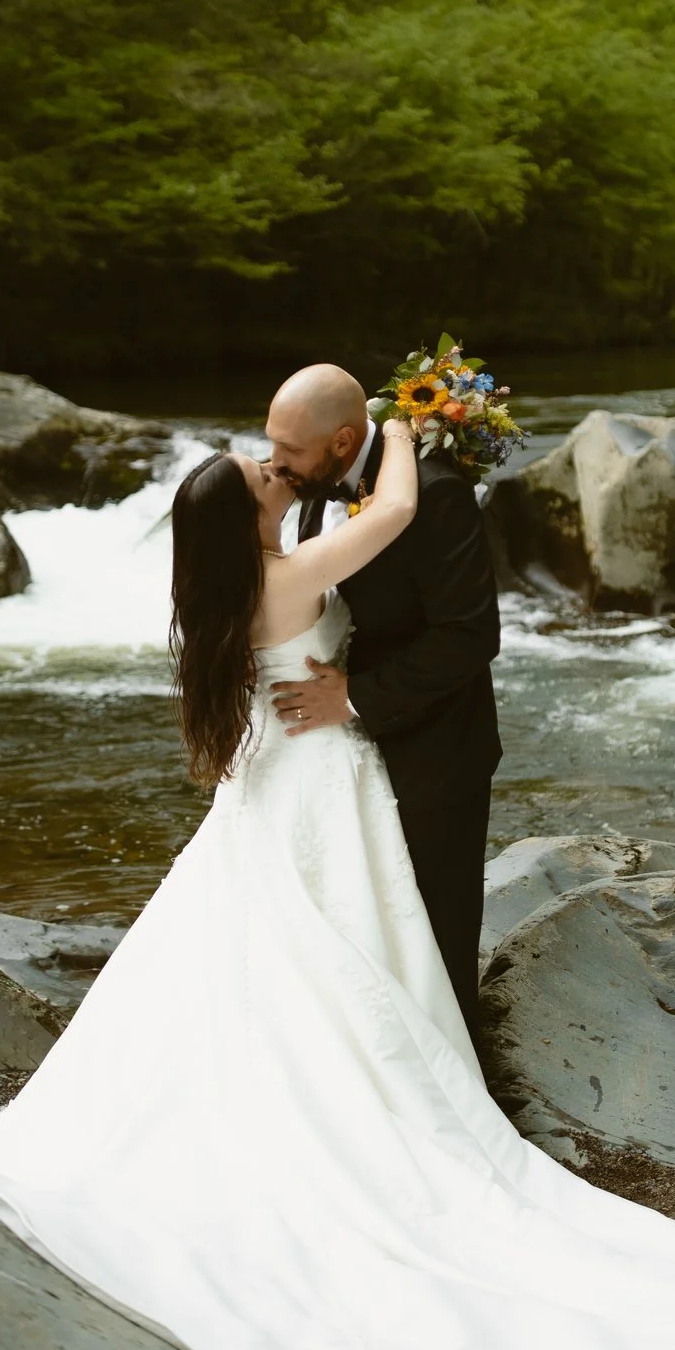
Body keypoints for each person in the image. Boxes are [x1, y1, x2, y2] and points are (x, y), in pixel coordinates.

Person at [0, 384, 675, 1350]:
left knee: (260, 943)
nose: (276, 467)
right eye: (265, 470)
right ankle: (368, 1090)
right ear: (250, 512)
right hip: (318, 770)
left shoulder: (223, 584)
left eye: (277, 452)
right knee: (333, 933)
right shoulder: (289, 574)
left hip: (272, 775)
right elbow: (389, 512)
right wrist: (401, 424)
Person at [260, 362, 502, 1072]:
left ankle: (461, 1095)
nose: (275, 463)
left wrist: (355, 695)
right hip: (334, 764)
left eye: (289, 451)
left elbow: (469, 633)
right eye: (270, 445)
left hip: (434, 753)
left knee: (435, 934)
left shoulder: (436, 493)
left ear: (341, 442)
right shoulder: (306, 489)